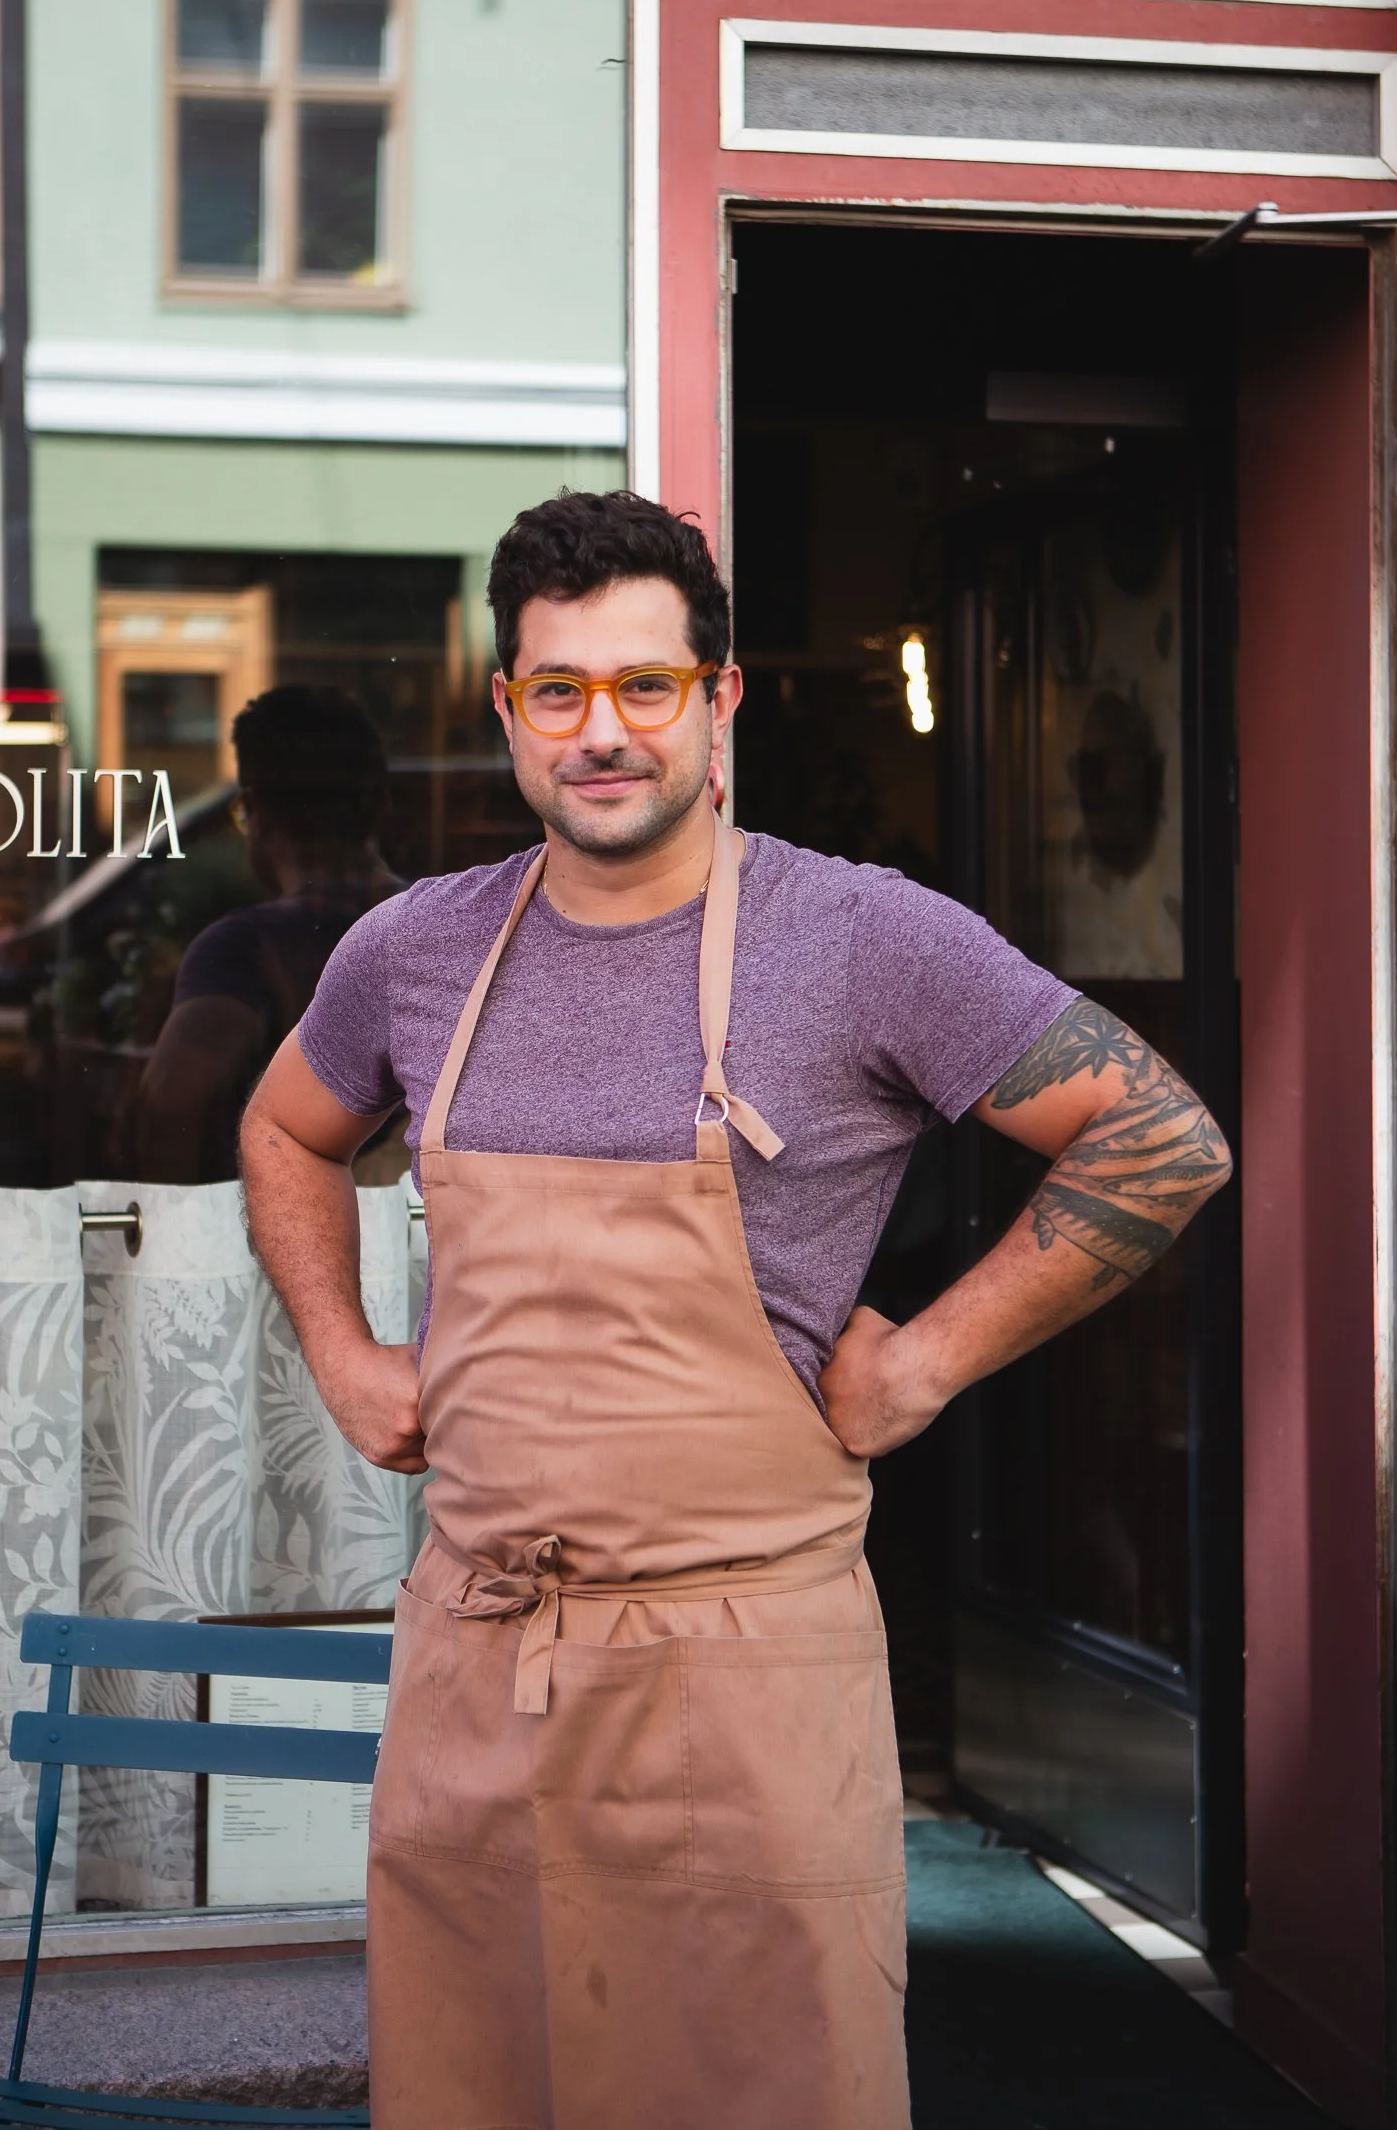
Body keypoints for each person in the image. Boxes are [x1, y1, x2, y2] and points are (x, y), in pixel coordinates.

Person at [239, 492, 1232, 2130]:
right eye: (558, 690)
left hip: (742, 1676)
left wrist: (923, 1363)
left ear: (721, 696)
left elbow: (1155, 1137)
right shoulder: (414, 950)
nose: (602, 732)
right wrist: (343, 1355)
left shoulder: (861, 939)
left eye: (646, 686)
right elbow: (285, 1129)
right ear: (507, 710)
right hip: (477, 1667)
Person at [135, 683, 402, 1182]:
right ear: (380, 808)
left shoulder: (242, 948)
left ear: (254, 813)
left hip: (282, 1241)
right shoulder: (445, 930)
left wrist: (189, 1239)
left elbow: (175, 1100)